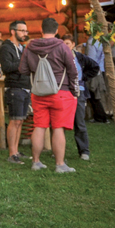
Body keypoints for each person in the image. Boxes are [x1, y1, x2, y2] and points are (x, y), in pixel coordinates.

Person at [19, 17, 79, 173]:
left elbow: (23, 70)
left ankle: (36, 162)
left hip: (38, 93)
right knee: (58, 128)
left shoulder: (30, 46)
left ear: (41, 29)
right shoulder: (62, 47)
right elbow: (72, 70)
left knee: (39, 126)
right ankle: (60, 165)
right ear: (57, 30)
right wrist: (74, 90)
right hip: (61, 91)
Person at [0, 20, 30, 164]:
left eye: (26, 31)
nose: (25, 33)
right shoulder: (6, 48)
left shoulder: (21, 48)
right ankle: (12, 154)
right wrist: (25, 61)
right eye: (22, 30)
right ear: (13, 31)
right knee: (14, 120)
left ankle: (16, 150)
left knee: (20, 120)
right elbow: (7, 67)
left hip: (25, 86)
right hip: (14, 87)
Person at [63, 35, 99, 161]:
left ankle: (84, 151)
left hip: (79, 92)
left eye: (67, 43)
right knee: (60, 123)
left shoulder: (80, 57)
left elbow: (95, 67)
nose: (65, 46)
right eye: (63, 43)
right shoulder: (59, 57)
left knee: (79, 122)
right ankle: (58, 150)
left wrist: (83, 78)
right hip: (64, 92)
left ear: (73, 44)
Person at [84, 39, 109, 123]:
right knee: (96, 94)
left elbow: (91, 60)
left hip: (93, 72)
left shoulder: (91, 42)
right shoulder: (98, 42)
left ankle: (101, 117)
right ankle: (100, 116)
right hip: (99, 70)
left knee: (94, 94)